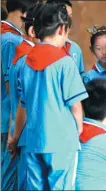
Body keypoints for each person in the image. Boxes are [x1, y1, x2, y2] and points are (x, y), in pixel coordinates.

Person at [7, 3, 88, 190]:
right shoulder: (65, 62)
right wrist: (79, 129)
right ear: (61, 29)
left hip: (34, 141)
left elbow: (23, 106)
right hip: (61, 142)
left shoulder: (26, 62)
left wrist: (16, 137)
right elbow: (75, 105)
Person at [1, 0, 36, 190]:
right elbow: (10, 86)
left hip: (12, 117)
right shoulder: (11, 40)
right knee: (9, 173)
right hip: (10, 119)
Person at [8, 2, 42, 190]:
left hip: (21, 133)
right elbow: (24, 104)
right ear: (32, 31)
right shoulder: (28, 60)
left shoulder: (21, 55)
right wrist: (15, 136)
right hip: (27, 136)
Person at [46, 0, 85, 75]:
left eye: (71, 16)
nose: (69, 22)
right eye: (65, 17)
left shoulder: (75, 49)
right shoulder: (39, 49)